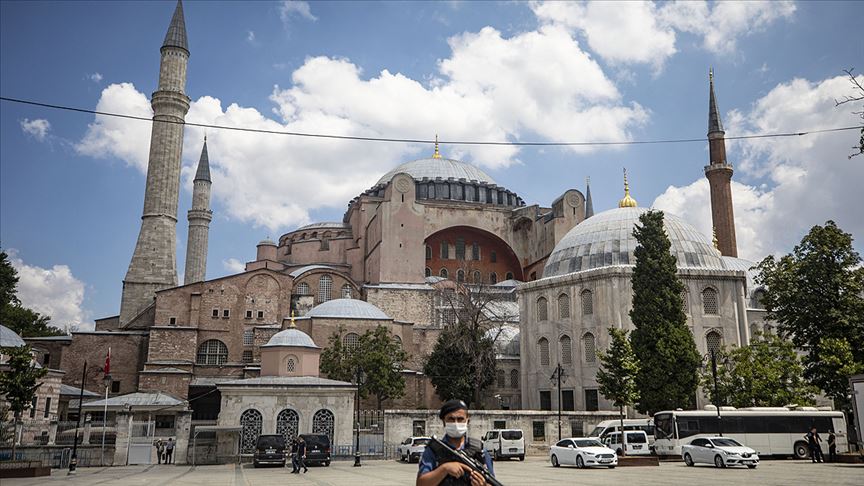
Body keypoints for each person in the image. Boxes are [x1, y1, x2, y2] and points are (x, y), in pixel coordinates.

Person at [417, 399, 495, 486]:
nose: (456, 423)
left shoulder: (480, 450)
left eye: (460, 419)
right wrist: (444, 469)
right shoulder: (434, 450)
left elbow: (492, 481)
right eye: (451, 419)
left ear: (467, 421)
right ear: (444, 422)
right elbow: (421, 483)